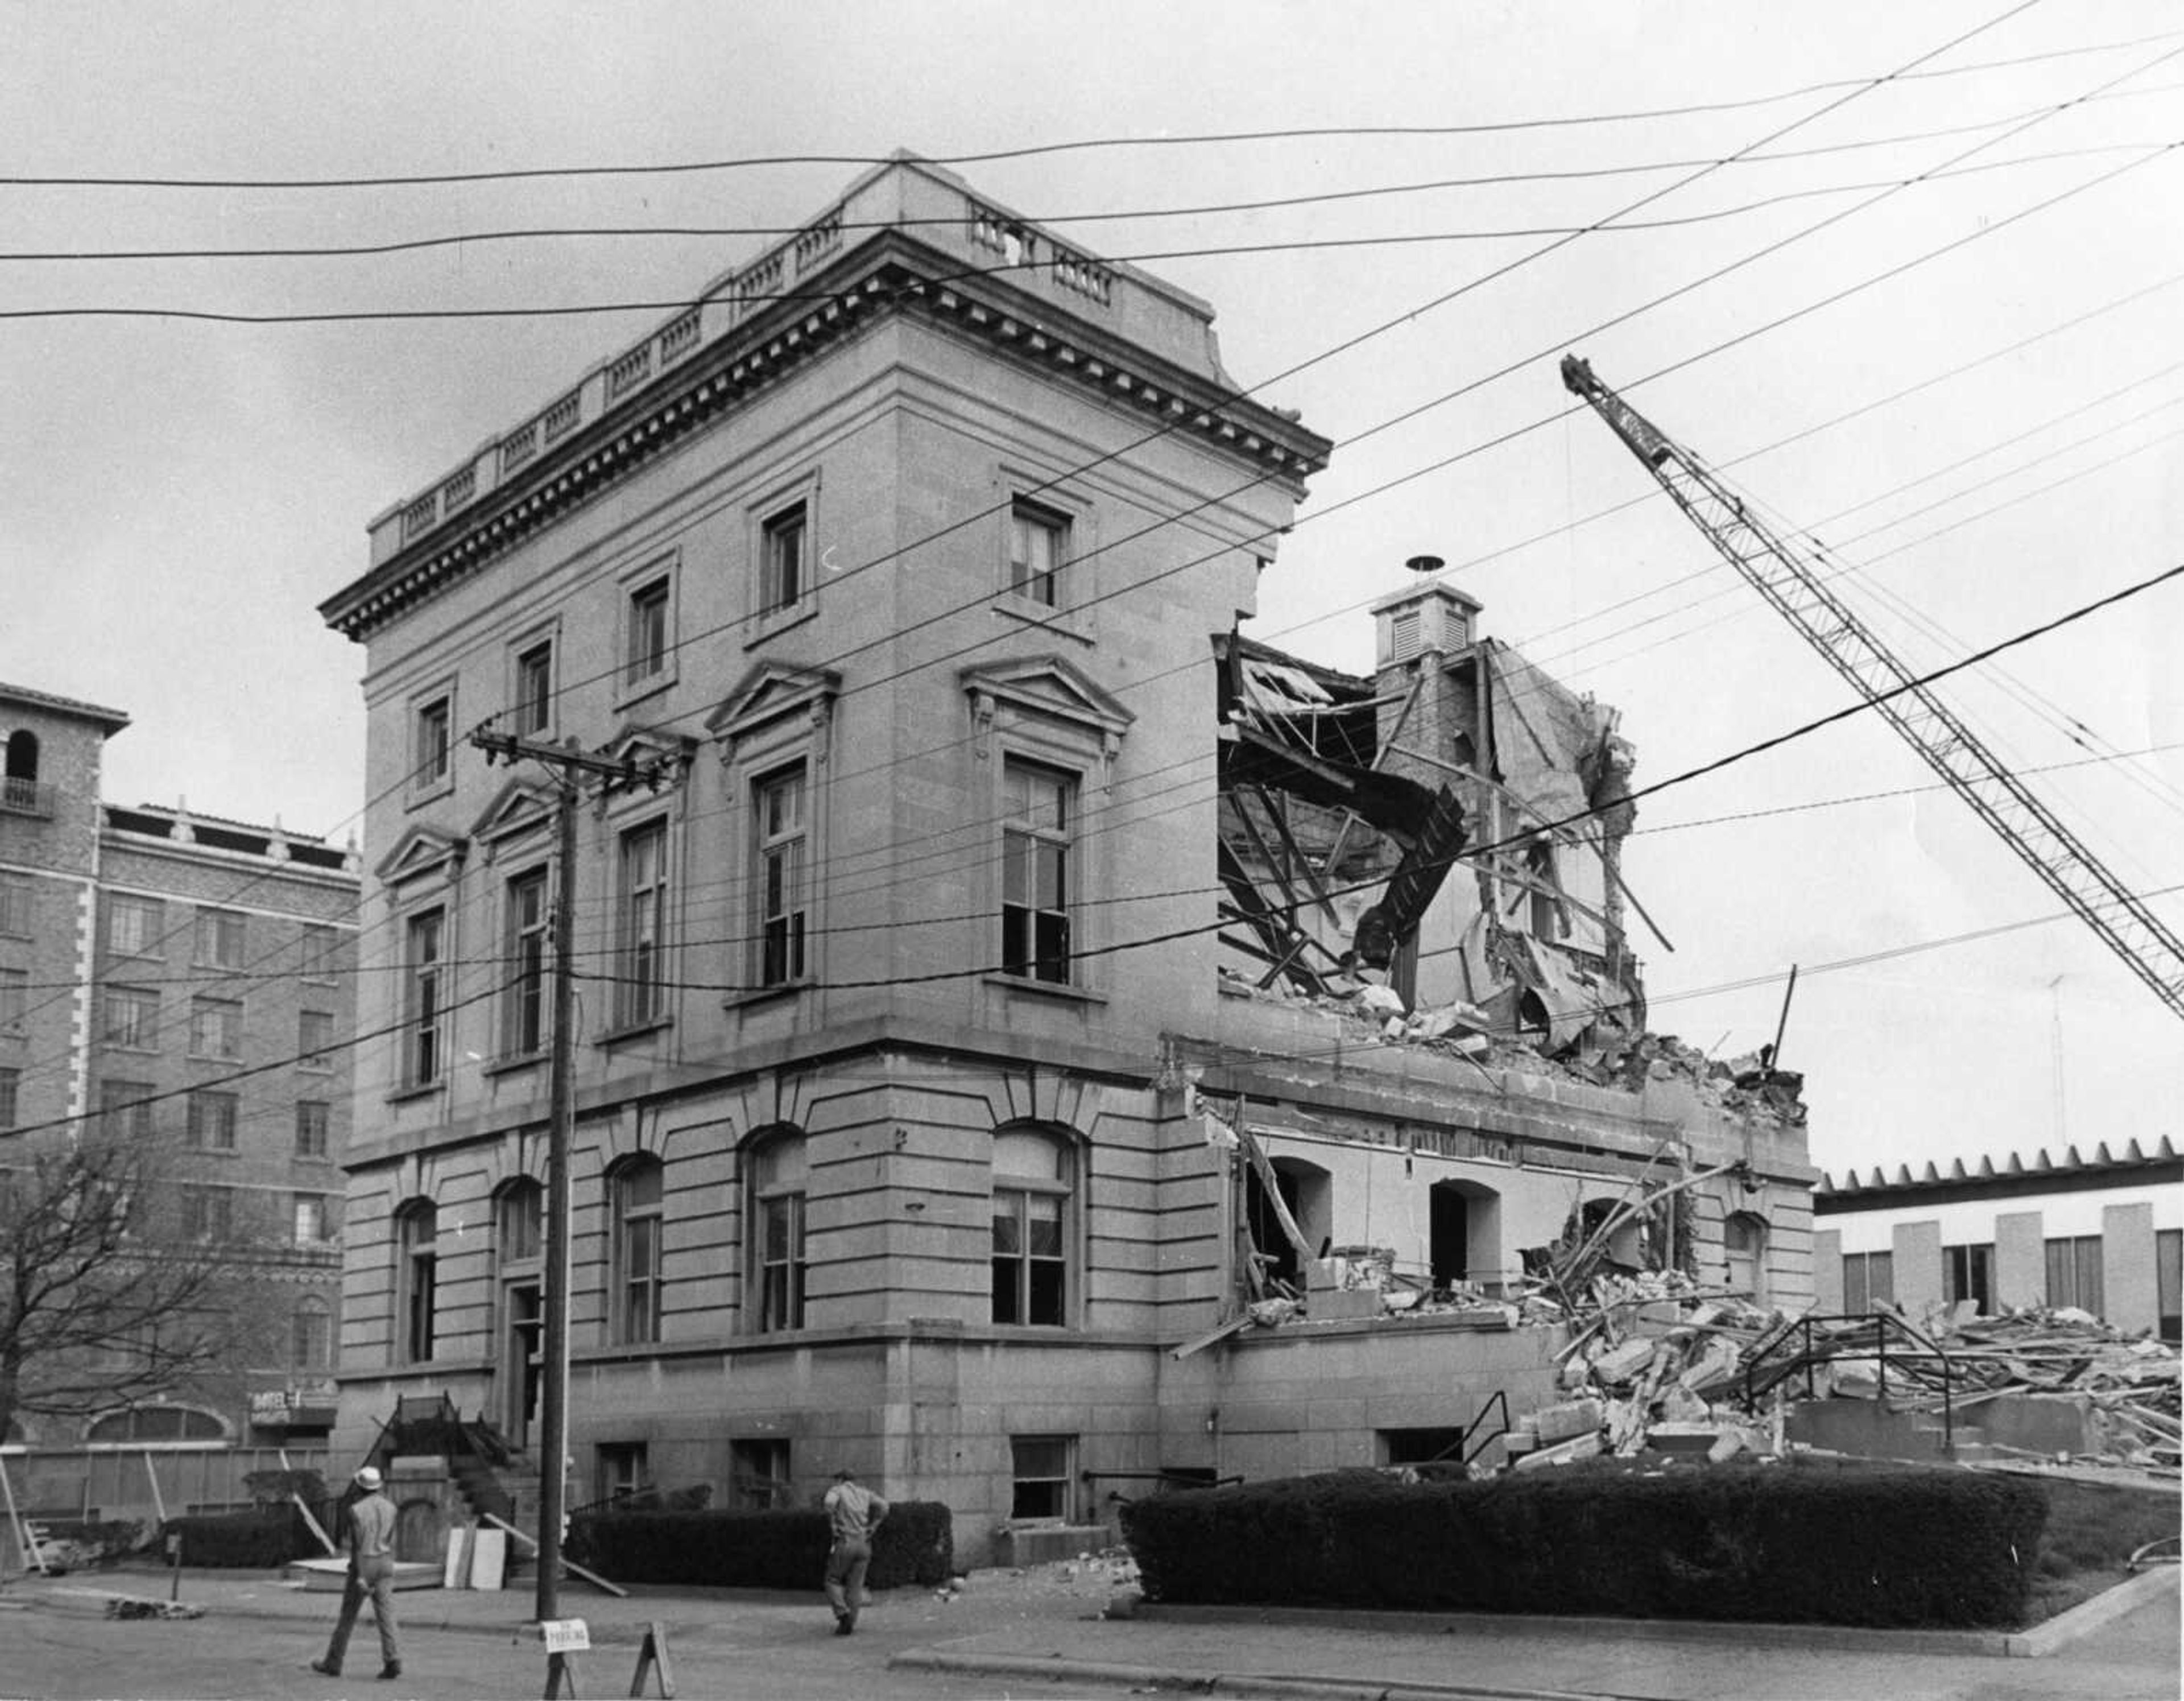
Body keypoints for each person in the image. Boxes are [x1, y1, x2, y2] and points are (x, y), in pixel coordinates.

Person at [311, 1464, 401, 1681]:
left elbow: (358, 1547)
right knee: (386, 1615)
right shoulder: (391, 1508)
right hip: (385, 1562)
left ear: (360, 1487)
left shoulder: (356, 1510)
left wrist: (360, 1575)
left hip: (365, 1563)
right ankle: (393, 1659)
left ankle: (334, 1662)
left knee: (348, 1616)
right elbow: (391, 1540)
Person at [820, 1467, 890, 1635]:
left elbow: (829, 1504)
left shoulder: (837, 1490)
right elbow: (885, 1507)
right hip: (864, 1543)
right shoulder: (864, 1493)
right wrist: (874, 1526)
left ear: (840, 1479)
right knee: (855, 1586)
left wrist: (832, 1523)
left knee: (832, 1579)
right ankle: (850, 1623)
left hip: (845, 1541)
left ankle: (842, 1612)